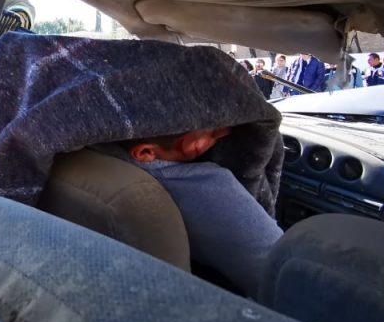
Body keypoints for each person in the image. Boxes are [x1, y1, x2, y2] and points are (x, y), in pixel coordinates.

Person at [117, 126, 283, 297]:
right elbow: (283, 273)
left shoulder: (108, 156)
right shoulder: (210, 190)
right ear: (145, 152)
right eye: (207, 131)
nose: (222, 132)